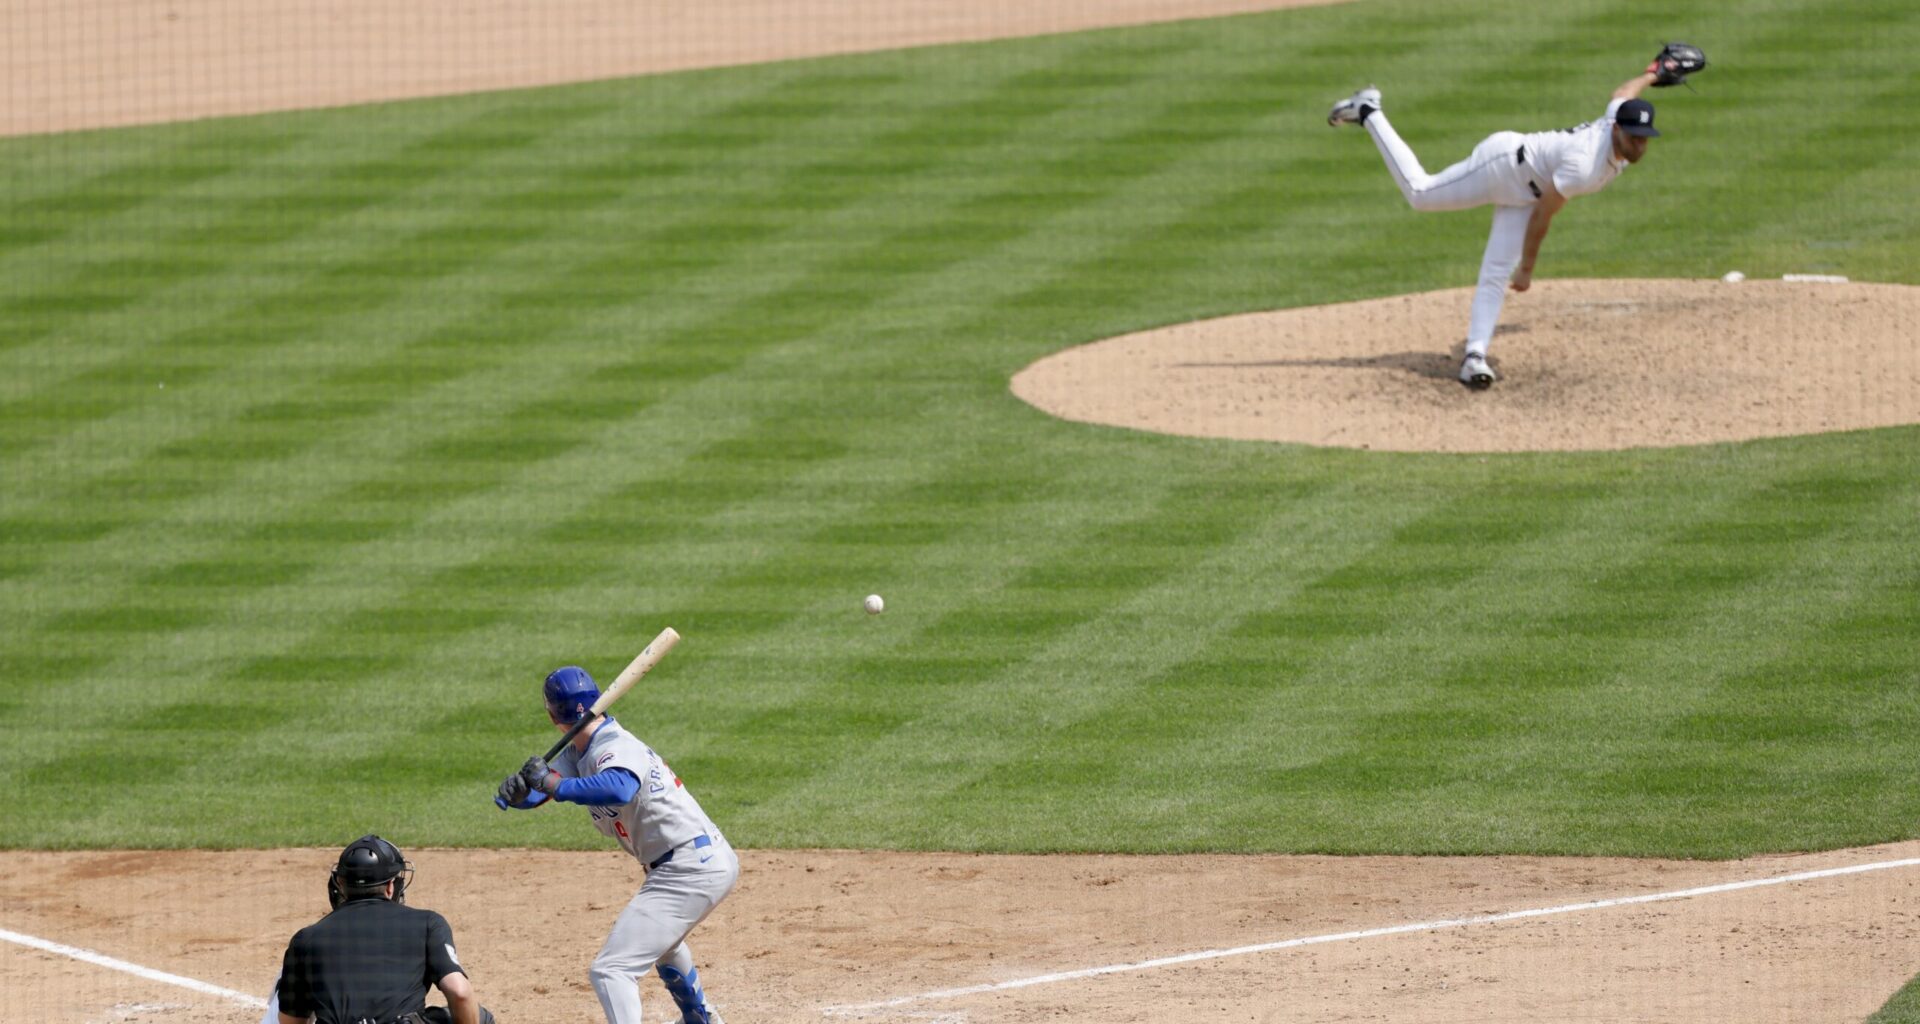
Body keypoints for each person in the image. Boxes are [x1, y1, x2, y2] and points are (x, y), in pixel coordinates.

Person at [1326, 47, 1702, 389]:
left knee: (1494, 271)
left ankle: (1474, 356)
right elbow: (1544, 213)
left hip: (1526, 189)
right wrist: (1527, 269)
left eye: (1644, 138)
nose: (1639, 144)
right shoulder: (1585, 165)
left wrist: (1654, 72)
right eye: (1633, 136)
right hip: (1503, 166)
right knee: (1421, 194)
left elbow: (1622, 96)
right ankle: (1369, 111)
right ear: (1617, 130)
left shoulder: (1616, 126)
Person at [497, 666, 739, 1024]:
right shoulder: (581, 751)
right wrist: (520, 794)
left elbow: (619, 786)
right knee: (664, 946)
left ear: (551, 715)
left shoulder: (615, 746)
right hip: (695, 862)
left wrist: (555, 786)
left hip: (688, 867)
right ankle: (699, 1020)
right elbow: (544, 789)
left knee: (611, 970)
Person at [267, 835, 494, 1024]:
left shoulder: (306, 938)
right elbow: (460, 993)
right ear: (389, 887)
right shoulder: (428, 923)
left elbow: (289, 1021)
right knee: (479, 1017)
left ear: (341, 885)